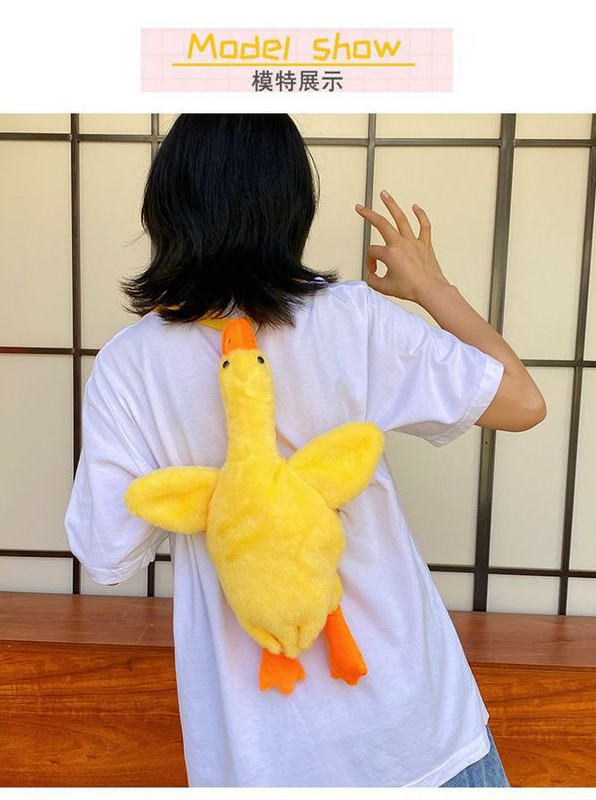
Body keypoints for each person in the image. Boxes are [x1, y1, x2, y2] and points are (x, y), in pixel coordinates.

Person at [64, 114, 545, 787]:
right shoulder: (351, 318)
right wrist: (432, 288)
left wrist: (205, 489)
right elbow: (522, 403)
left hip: (260, 751)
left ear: (167, 204)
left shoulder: (129, 366)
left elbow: (106, 553)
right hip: (415, 730)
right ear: (291, 205)